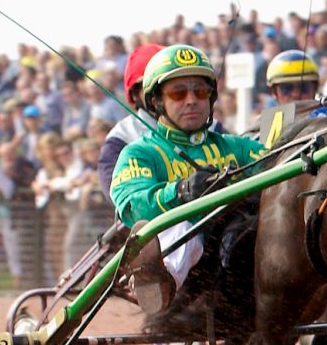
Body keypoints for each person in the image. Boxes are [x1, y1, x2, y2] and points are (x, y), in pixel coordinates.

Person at [110, 45, 264, 313]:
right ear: (157, 102)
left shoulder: (239, 147)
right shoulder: (139, 153)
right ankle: (160, 281)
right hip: (187, 262)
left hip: (240, 254)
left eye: (200, 91)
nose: (191, 100)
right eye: (178, 93)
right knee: (181, 225)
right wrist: (180, 192)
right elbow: (132, 207)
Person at [97, 43, 163, 196]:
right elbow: (118, 192)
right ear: (134, 94)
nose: (162, 94)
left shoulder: (211, 127)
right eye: (152, 87)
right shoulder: (121, 137)